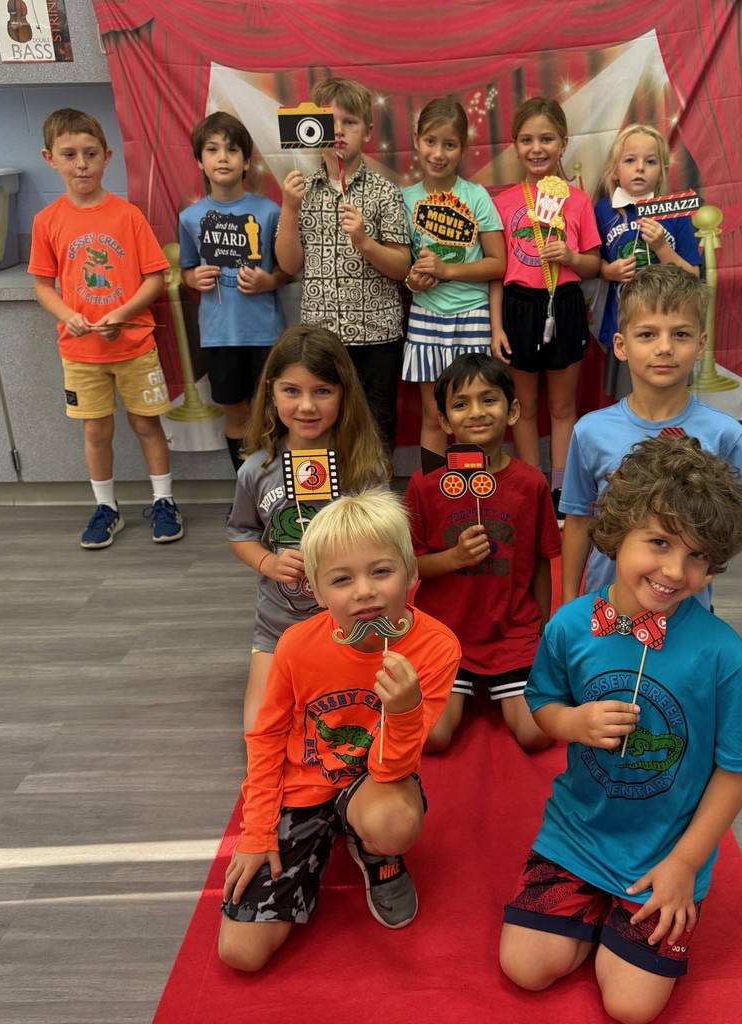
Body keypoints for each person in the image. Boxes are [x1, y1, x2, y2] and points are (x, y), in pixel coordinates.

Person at [501, 435, 742, 1024]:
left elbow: (739, 767)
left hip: (665, 851)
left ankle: (624, 913)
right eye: (659, 542)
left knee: (630, 1007)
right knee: (525, 967)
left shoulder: (724, 654)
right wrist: (572, 721)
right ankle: (589, 909)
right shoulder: (571, 626)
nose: (675, 570)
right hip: (577, 834)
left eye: (697, 556)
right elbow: (542, 702)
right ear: (617, 531)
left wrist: (683, 864)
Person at [219, 489, 461, 971]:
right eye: (341, 579)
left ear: (411, 573)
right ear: (315, 588)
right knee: (240, 953)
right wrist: (257, 829)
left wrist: (406, 709)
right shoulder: (295, 646)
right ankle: (313, 849)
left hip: (376, 782)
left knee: (393, 825)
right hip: (302, 785)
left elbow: (395, 763)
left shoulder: (436, 648)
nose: (364, 591)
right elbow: (265, 737)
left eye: (381, 571)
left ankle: (376, 854)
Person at [29, 108, 183, 549]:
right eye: (70, 154)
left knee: (147, 424)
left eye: (90, 153)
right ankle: (106, 508)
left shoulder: (128, 216)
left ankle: (164, 501)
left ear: (107, 157)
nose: (81, 163)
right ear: (50, 158)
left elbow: (155, 277)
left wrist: (122, 313)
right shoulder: (47, 221)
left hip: (135, 346)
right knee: (95, 430)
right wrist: (67, 315)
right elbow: (42, 285)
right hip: (81, 354)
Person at [227, 325, 388, 733]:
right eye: (292, 391)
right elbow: (240, 533)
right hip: (279, 625)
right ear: (271, 391)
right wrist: (267, 562)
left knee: (357, 730)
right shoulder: (255, 470)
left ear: (344, 393)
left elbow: (387, 546)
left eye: (322, 391)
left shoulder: (365, 469)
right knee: (259, 732)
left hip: (353, 623)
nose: (307, 406)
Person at [559, 264, 742, 608]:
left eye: (681, 334)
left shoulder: (726, 435)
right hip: (606, 605)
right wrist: (570, 601)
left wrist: (695, 586)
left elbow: (724, 531)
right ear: (621, 344)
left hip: (686, 609)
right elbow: (578, 520)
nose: (664, 348)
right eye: (647, 334)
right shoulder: (590, 432)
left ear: (701, 344)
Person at [404, 354, 561, 751]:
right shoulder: (424, 485)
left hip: (512, 633)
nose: (476, 412)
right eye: (460, 404)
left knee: (536, 733)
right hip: (446, 632)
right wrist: (454, 558)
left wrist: (541, 629)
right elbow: (410, 567)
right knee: (435, 736)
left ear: (513, 411)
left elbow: (543, 561)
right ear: (443, 422)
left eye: (489, 400)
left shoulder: (531, 483)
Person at [275, 77, 411, 451]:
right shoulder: (300, 190)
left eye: (349, 122)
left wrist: (365, 242)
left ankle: (375, 505)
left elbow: (401, 266)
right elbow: (288, 264)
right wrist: (289, 207)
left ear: (367, 130)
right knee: (319, 425)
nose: (339, 131)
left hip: (376, 335)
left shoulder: (385, 191)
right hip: (321, 338)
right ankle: (326, 505)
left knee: (377, 424)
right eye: (329, 123)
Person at [490, 97, 601, 519]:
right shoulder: (502, 202)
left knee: (561, 407)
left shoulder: (577, 200)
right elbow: (497, 273)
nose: (537, 148)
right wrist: (497, 325)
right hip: (519, 307)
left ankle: (560, 489)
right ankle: (530, 484)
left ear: (564, 143)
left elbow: (594, 263)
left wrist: (570, 256)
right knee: (524, 406)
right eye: (527, 139)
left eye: (547, 139)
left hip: (565, 304)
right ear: (515, 145)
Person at [178, 111, 288, 474]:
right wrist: (193, 278)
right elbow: (185, 269)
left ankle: (277, 488)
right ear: (200, 161)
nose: (222, 157)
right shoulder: (190, 218)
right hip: (219, 334)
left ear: (246, 161)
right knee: (237, 412)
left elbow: (288, 267)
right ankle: (246, 487)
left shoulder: (270, 211)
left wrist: (269, 282)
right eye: (212, 149)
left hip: (265, 333)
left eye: (232, 149)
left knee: (273, 412)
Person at [401, 99, 506, 453]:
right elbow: (403, 265)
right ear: (416, 140)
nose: (438, 153)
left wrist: (448, 270)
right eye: (430, 141)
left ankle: (480, 491)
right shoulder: (405, 199)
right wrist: (413, 280)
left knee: (475, 417)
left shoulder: (475, 196)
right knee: (434, 416)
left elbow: (498, 263)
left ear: (463, 148)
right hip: (426, 318)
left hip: (474, 316)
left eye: (449, 144)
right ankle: (434, 496)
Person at [593, 124, 702, 395]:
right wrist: (609, 271)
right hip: (627, 324)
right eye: (630, 160)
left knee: (668, 399)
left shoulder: (674, 213)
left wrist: (662, 247)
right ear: (615, 170)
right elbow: (591, 264)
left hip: (670, 328)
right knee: (627, 397)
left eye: (650, 161)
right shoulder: (604, 209)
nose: (640, 168)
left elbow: (693, 276)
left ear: (662, 171)